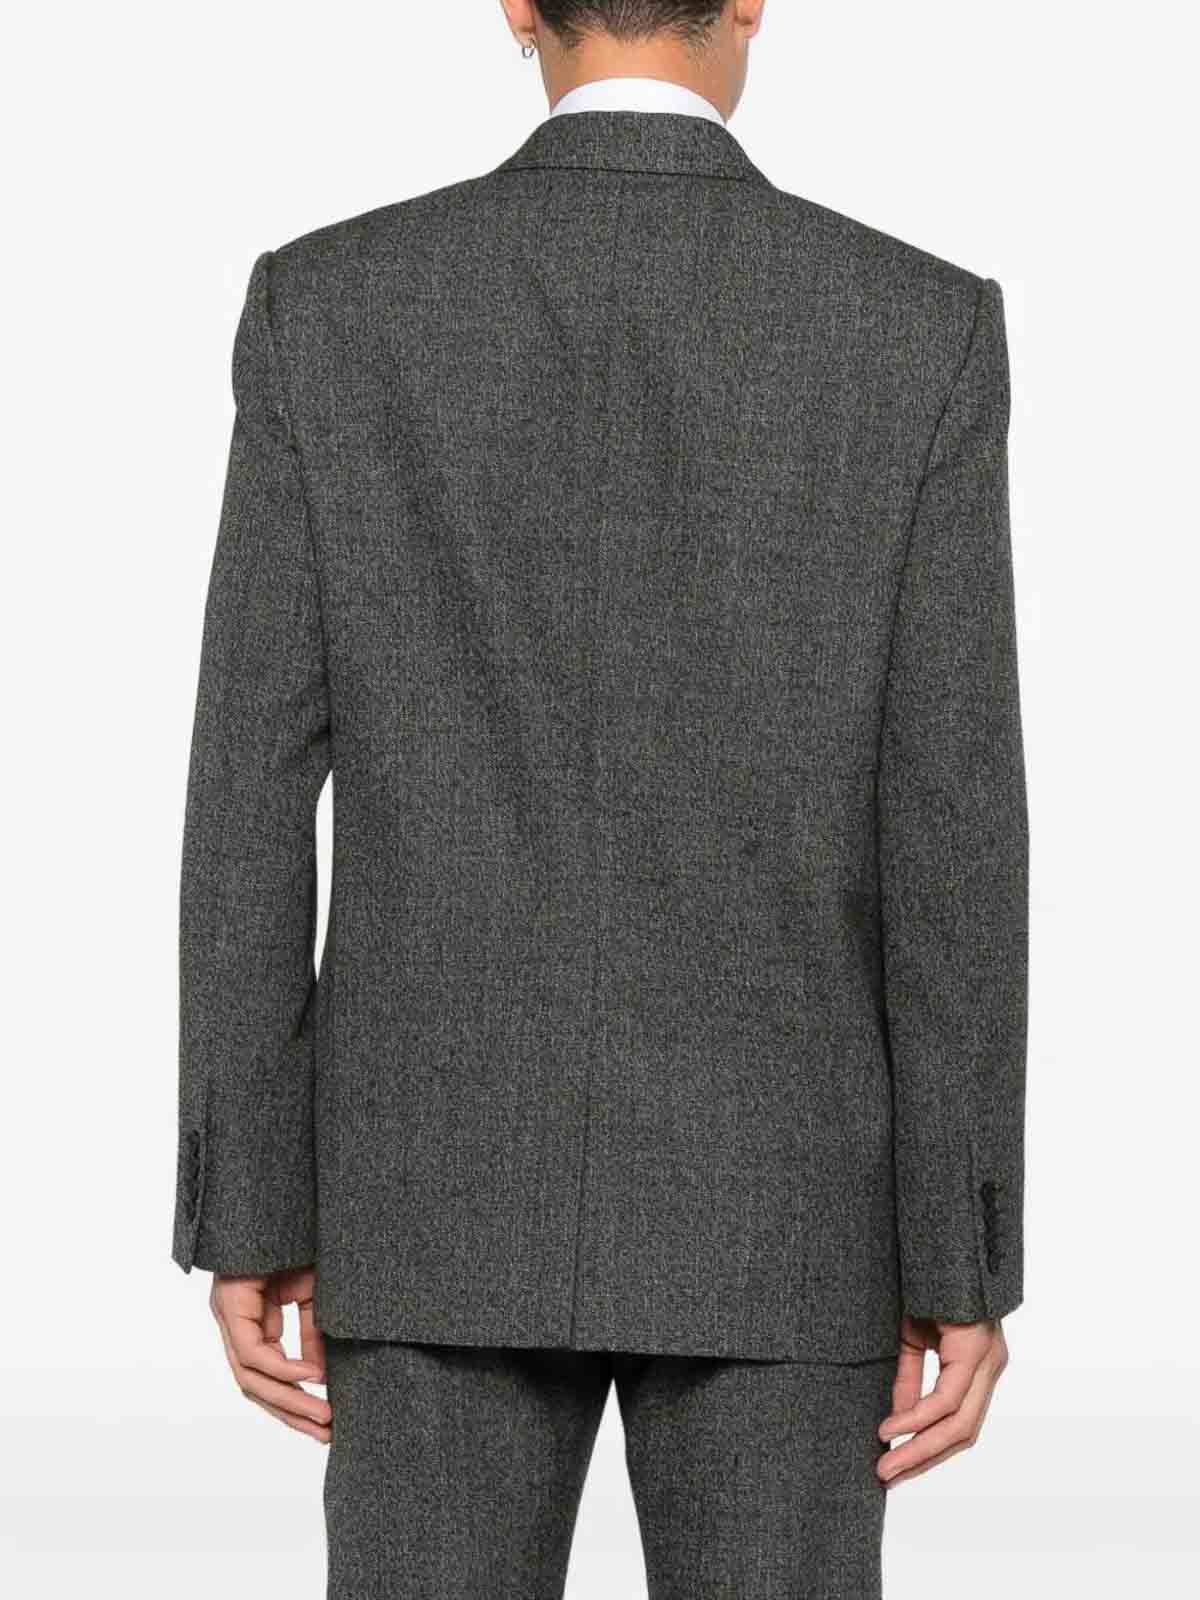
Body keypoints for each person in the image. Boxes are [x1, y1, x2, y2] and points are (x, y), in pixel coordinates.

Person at [172, 2, 1029, 1594]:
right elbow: (953, 826)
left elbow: (248, 790)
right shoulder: (915, 327)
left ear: (518, 3)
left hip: (426, 1191)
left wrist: (252, 1200)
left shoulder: (332, 306)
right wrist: (960, 1240)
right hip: (786, 1204)